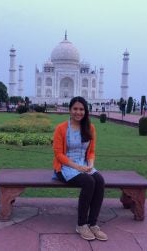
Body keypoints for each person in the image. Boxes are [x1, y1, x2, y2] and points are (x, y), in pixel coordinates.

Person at [52, 96, 108, 241]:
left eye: (81, 109)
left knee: (99, 180)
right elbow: (59, 154)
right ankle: (81, 224)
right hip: (65, 168)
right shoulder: (61, 129)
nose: (78, 112)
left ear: (85, 111)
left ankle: (93, 223)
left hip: (83, 164)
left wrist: (90, 165)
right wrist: (78, 167)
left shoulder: (89, 128)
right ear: (70, 110)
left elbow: (91, 151)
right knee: (89, 182)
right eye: (75, 109)